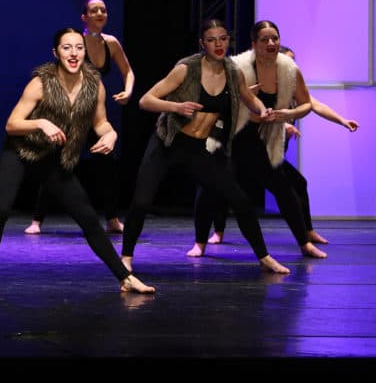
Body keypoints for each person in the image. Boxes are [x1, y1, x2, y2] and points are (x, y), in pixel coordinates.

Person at [0, 28, 155, 295]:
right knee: (1, 209)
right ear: (56, 53)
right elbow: (12, 124)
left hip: (54, 158)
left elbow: (100, 122)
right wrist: (41, 122)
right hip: (21, 152)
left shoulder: (94, 84)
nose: (74, 53)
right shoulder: (41, 83)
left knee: (88, 217)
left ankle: (125, 277)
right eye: (67, 48)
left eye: (79, 47)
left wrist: (111, 134)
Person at [120, 19, 292, 274]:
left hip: (196, 148)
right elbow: (146, 100)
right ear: (203, 43)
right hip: (167, 143)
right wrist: (176, 107)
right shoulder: (186, 69)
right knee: (142, 201)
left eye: (222, 38)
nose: (218, 44)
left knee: (239, 199)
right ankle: (126, 257)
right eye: (212, 40)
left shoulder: (233, 72)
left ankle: (264, 257)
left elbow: (248, 96)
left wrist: (263, 110)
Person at [191, 24, 335, 255]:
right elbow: (216, 99)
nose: (271, 44)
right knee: (210, 185)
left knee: (283, 186)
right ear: (254, 44)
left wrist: (289, 115)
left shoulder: (288, 70)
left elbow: (309, 103)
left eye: (275, 38)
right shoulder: (238, 66)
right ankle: (201, 242)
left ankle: (304, 242)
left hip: (250, 136)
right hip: (228, 132)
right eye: (265, 40)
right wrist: (244, 95)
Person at [25, 0, 133, 235]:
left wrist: (128, 91)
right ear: (84, 17)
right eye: (94, 10)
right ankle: (37, 219)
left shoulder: (111, 43)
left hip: (93, 109)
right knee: (57, 163)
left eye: (103, 10)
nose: (99, 14)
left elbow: (128, 71)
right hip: (68, 109)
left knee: (107, 163)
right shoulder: (76, 42)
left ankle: (112, 218)